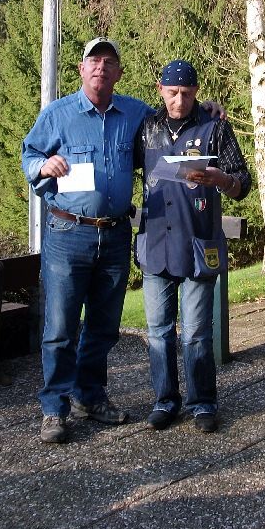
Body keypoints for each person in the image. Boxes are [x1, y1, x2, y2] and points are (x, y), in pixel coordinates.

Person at [22, 39, 223, 444]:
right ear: (82, 69)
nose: (101, 67)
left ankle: (90, 396)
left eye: (109, 62)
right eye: (94, 61)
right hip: (68, 233)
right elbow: (29, 156)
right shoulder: (58, 114)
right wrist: (43, 165)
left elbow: (175, 115)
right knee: (60, 328)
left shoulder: (135, 114)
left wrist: (206, 109)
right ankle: (54, 409)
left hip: (114, 233)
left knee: (103, 327)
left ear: (118, 73)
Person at [135, 59, 252, 434]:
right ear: (160, 90)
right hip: (156, 245)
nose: (179, 100)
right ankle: (164, 400)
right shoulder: (147, 128)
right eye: (172, 93)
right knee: (158, 331)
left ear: (197, 92)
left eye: (186, 93)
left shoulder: (214, 127)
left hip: (199, 245)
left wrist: (222, 180)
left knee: (197, 333)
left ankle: (203, 403)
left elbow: (243, 181)